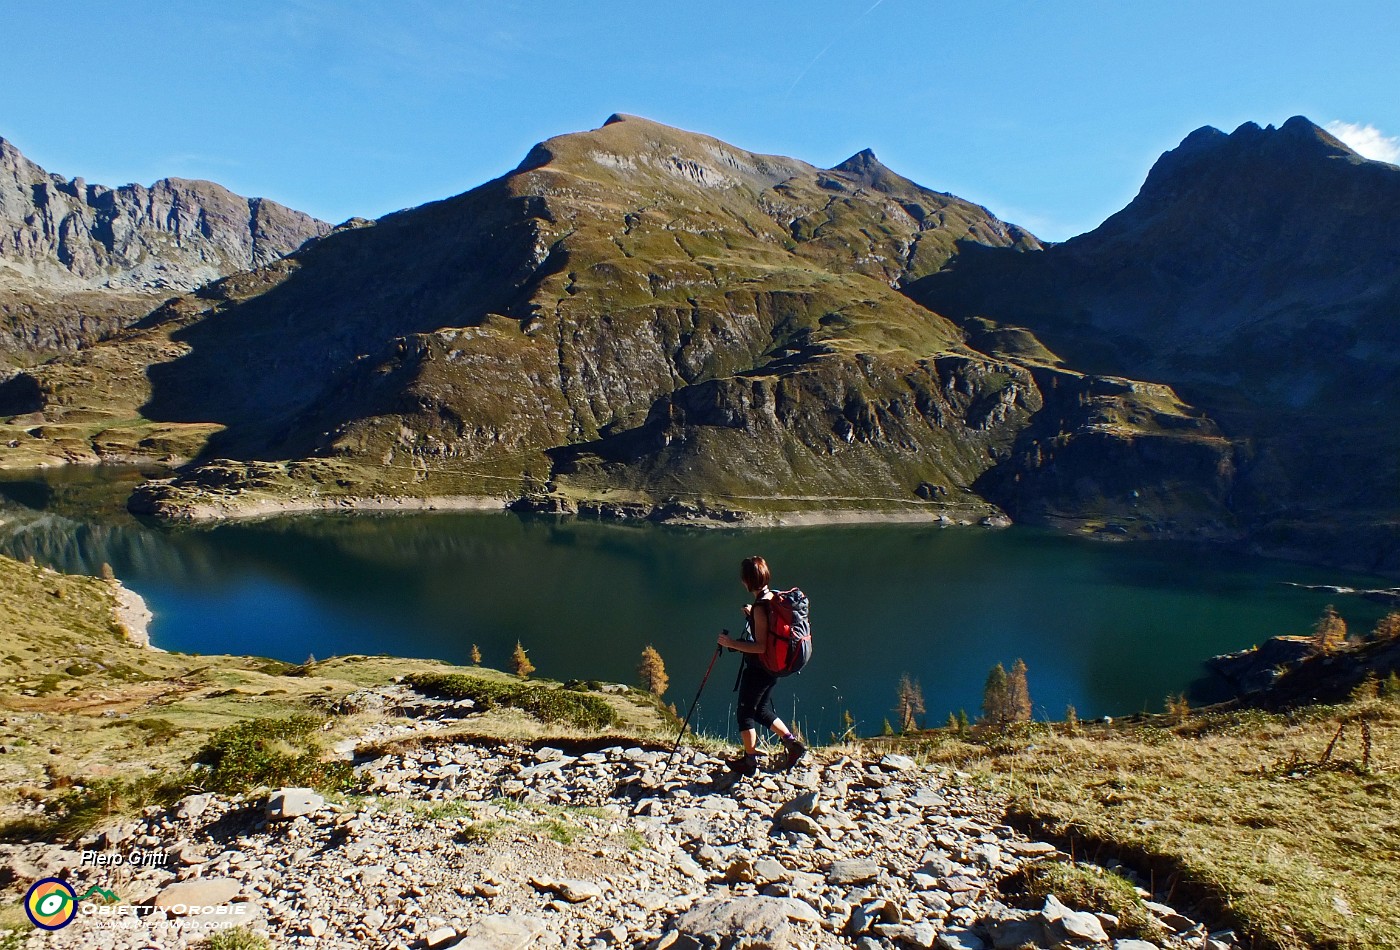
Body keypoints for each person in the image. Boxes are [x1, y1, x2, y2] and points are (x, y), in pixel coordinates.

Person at [717, 555, 807, 777]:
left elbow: (760, 647)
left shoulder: (760, 607)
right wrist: (752, 615)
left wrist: (731, 644)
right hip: (774, 667)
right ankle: (792, 744)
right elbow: (768, 628)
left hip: (761, 667)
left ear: (747, 581)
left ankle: (749, 762)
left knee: (745, 714)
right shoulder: (772, 596)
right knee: (762, 710)